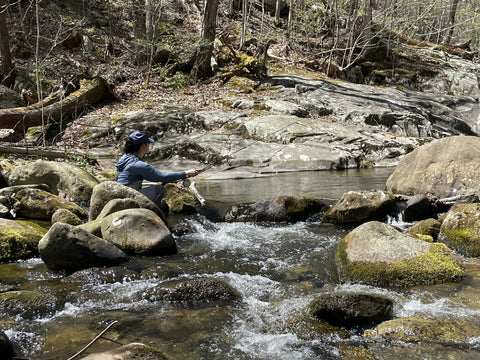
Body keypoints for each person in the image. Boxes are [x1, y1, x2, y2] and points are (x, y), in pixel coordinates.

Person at [115, 130, 201, 207]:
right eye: (148, 143)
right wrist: (186, 173)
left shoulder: (125, 158)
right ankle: (156, 213)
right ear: (143, 145)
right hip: (129, 199)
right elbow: (162, 177)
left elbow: (152, 177)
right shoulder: (137, 164)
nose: (149, 146)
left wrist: (172, 179)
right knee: (160, 189)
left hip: (121, 196)